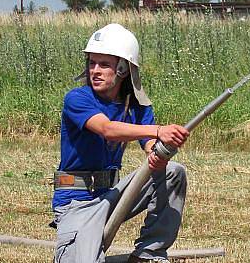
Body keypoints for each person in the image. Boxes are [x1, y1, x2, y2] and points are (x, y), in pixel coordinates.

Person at [51, 23, 190, 263]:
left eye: (104, 65)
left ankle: (149, 254)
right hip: (77, 203)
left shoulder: (137, 105)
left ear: (123, 69)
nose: (95, 70)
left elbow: (150, 147)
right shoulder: (77, 98)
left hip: (113, 196)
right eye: (92, 63)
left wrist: (160, 152)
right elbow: (108, 130)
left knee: (172, 172)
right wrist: (159, 130)